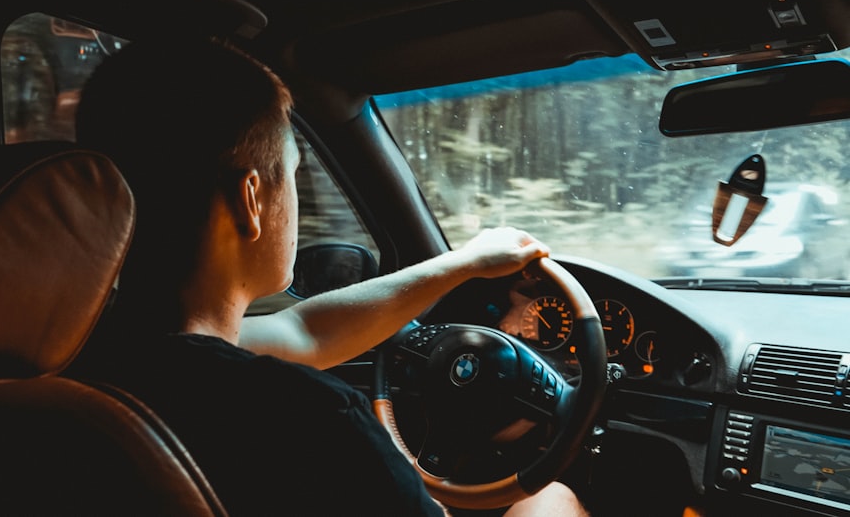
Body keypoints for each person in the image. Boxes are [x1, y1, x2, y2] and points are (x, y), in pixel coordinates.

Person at [74, 36, 589, 517]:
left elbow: (307, 332)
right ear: (251, 199)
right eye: (296, 173)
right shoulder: (310, 418)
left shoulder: (88, 356)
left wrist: (464, 263)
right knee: (552, 500)